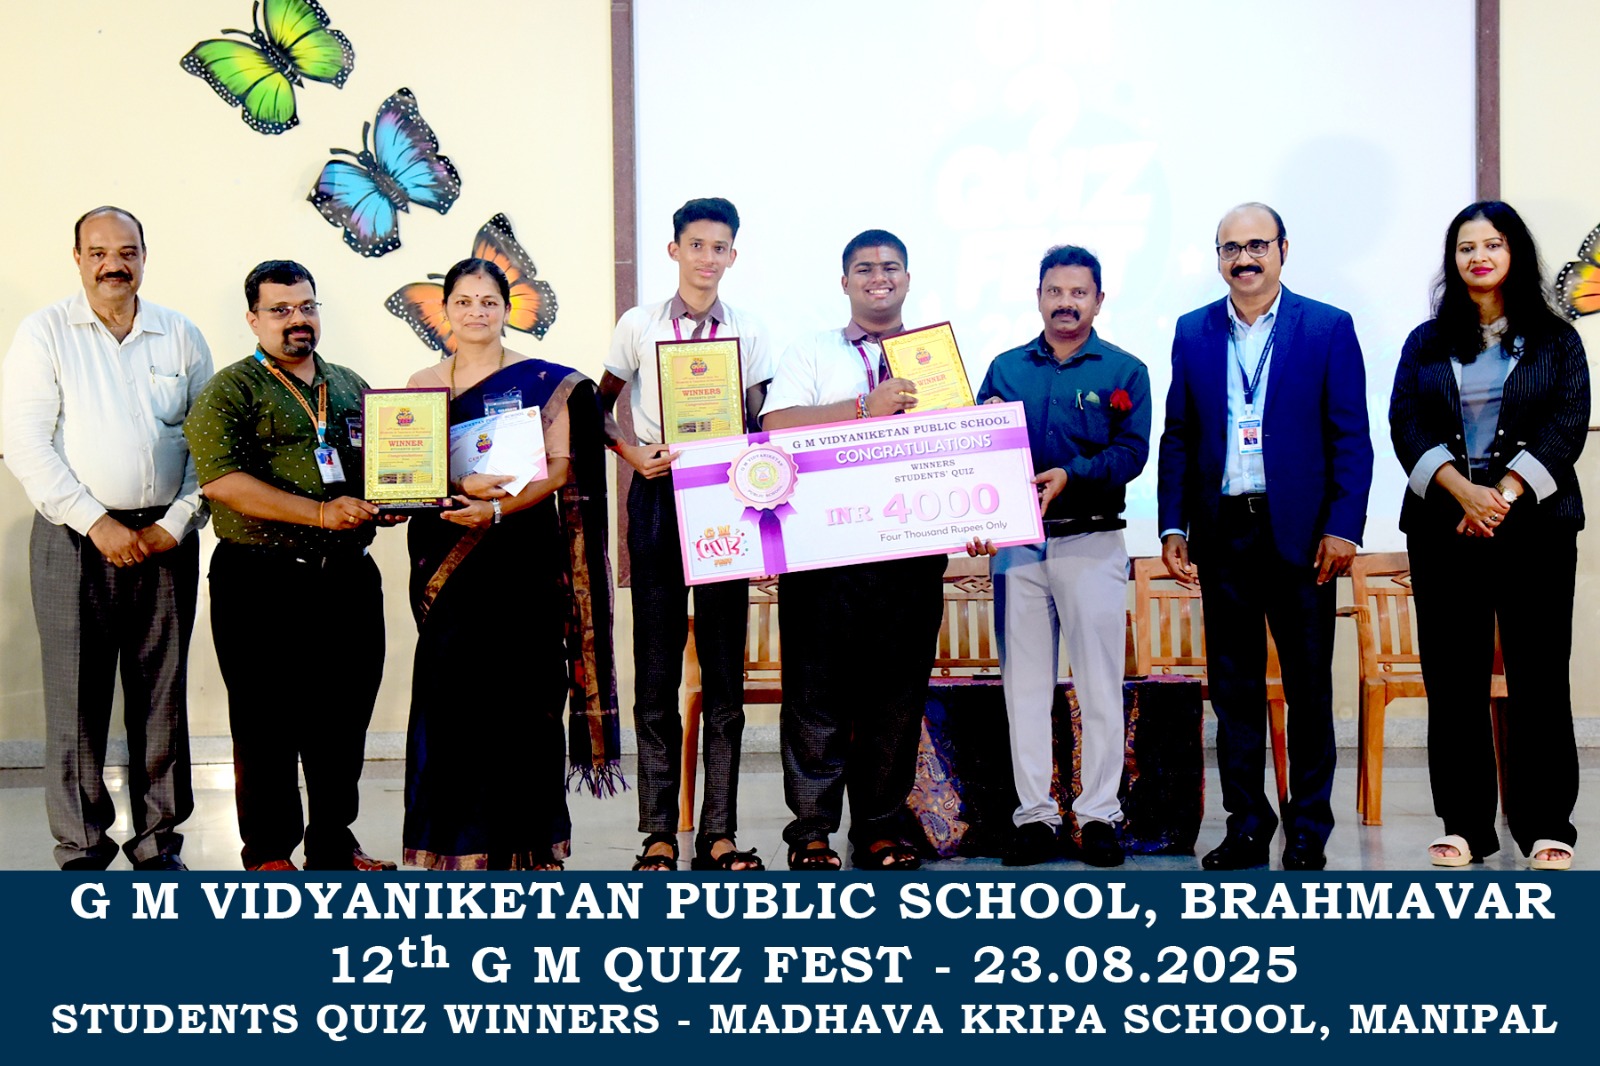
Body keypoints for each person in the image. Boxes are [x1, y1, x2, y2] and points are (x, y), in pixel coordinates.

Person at [1156, 203, 1373, 871]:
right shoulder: (1193, 331)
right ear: (1218, 257)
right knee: (1234, 691)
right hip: (1223, 531)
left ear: (1283, 249)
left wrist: (1343, 527)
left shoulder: (1327, 327)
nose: (1244, 258)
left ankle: (1308, 829)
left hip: (1302, 537)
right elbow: (1179, 435)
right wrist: (1173, 523)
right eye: (1231, 248)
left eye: (1257, 245)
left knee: (1308, 690)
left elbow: (1351, 437)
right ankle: (1247, 825)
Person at [2, 206, 213, 871]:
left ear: (144, 256)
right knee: (76, 699)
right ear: (77, 259)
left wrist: (175, 524)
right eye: (98, 252)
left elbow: (209, 446)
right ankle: (82, 847)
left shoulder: (180, 334)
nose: (112, 264)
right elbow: (26, 445)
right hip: (73, 538)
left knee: (162, 699)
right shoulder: (44, 333)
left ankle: (158, 845)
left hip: (165, 540)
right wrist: (97, 522)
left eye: (126, 251)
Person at [1390, 201, 1588, 871]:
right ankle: (1466, 827)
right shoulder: (1425, 341)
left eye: (1493, 244)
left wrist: (1501, 495)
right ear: (1453, 260)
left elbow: (1567, 424)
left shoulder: (1557, 340)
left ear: (1514, 253)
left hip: (1536, 529)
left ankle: (1547, 827)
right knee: (1454, 681)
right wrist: (1462, 492)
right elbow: (1406, 424)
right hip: (1444, 528)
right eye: (1466, 247)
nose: (1479, 256)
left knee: (1539, 677)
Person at [403, 257, 619, 870]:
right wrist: (457, 487)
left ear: (506, 309)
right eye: (464, 301)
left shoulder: (545, 382)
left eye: (488, 301)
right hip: (447, 554)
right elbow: (410, 466)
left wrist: (495, 509)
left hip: (520, 555)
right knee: (451, 700)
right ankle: (454, 847)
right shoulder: (421, 383)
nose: (476, 311)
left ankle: (530, 846)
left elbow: (560, 469)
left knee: (526, 698)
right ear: (445, 309)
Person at [184, 260, 397, 872]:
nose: (297, 319)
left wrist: (392, 501)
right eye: (280, 310)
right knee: (264, 720)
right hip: (260, 578)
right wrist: (322, 514)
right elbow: (222, 482)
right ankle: (268, 851)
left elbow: (383, 468)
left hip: (348, 577)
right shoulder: (230, 389)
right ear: (254, 319)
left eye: (306, 306)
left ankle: (333, 842)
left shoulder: (350, 385)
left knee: (344, 718)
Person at [760, 229, 945, 871]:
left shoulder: (934, 358)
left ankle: (879, 829)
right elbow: (774, 425)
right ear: (845, 282)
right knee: (815, 696)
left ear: (907, 279)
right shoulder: (811, 351)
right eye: (864, 268)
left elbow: (959, 445)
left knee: (896, 698)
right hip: (822, 555)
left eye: (890, 267)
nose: (878, 277)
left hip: (910, 557)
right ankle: (811, 831)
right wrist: (866, 406)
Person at [600, 197, 773, 872]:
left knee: (724, 676)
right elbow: (596, 405)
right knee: (656, 674)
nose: (707, 257)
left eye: (719, 247)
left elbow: (763, 422)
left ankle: (719, 833)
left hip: (727, 499)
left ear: (734, 255)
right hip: (658, 495)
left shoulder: (750, 329)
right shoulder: (639, 324)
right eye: (696, 245)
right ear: (674, 250)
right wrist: (630, 453)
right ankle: (658, 834)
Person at [967, 245, 1151, 868]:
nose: (1066, 303)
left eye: (1079, 292)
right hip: (1018, 547)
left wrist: (1073, 475)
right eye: (1055, 291)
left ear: (1098, 300)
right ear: (1039, 296)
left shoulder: (1125, 370)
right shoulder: (1005, 369)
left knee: (1099, 686)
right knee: (1024, 688)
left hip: (1091, 541)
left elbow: (1131, 454)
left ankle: (1099, 815)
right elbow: (978, 450)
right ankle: (1036, 818)